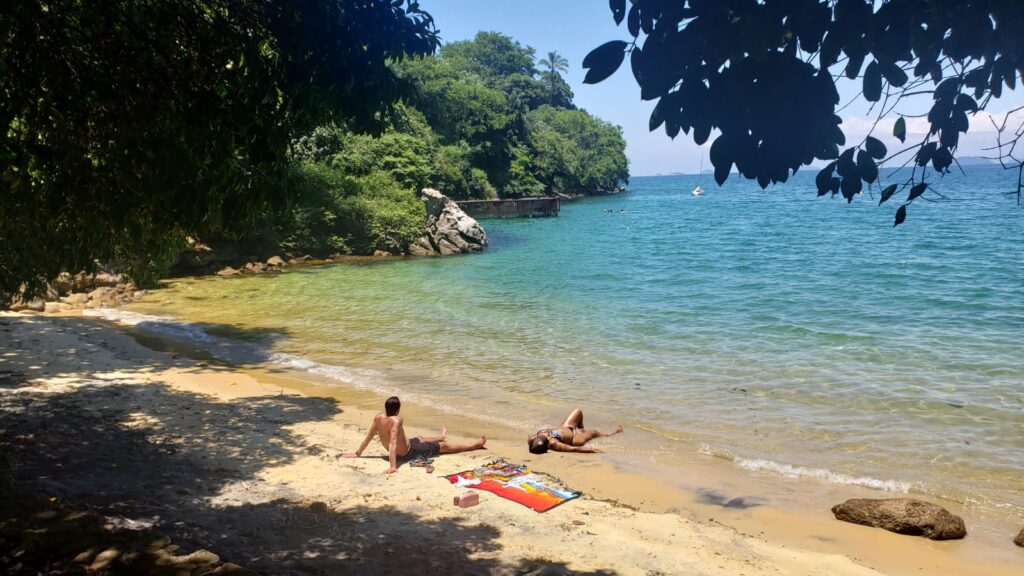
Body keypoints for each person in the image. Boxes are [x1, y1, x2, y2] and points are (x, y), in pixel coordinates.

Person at [344, 396, 486, 473]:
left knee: (420, 438)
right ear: (398, 410)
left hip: (407, 445)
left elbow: (369, 437)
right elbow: (393, 442)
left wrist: (357, 453)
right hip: (408, 452)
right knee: (443, 447)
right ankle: (473, 446)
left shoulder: (378, 417)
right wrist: (393, 466)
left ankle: (440, 436)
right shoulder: (397, 420)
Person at [528, 408, 623, 454]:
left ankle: (581, 429)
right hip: (574, 438)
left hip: (566, 427)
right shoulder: (554, 444)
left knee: (578, 411)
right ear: (548, 444)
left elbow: (531, 440)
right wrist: (594, 450)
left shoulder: (536, 437)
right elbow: (574, 449)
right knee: (595, 433)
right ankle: (614, 433)